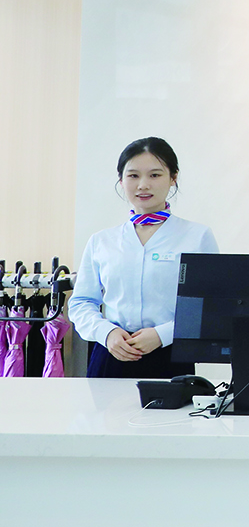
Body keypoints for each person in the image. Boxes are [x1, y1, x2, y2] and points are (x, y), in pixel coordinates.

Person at [70, 137, 219, 379]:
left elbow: (210, 305)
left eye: (155, 175)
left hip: (170, 354)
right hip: (111, 354)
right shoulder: (102, 241)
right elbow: (81, 302)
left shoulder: (197, 236)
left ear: (173, 178)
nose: (143, 185)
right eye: (133, 175)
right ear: (121, 180)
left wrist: (162, 334)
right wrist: (106, 332)